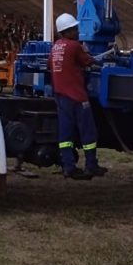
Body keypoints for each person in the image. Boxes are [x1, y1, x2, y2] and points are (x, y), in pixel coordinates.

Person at [48, 13, 108, 180]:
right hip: (77, 97)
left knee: (65, 134)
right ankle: (91, 165)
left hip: (61, 96)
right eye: (74, 29)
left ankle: (68, 167)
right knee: (88, 132)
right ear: (66, 31)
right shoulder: (74, 46)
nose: (77, 31)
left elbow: (50, 65)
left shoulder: (55, 47)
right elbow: (88, 61)